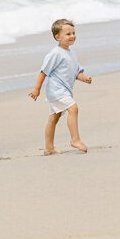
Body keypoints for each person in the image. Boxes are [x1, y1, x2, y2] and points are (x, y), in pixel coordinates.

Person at [28, 18, 93, 155]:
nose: (72, 36)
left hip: (65, 90)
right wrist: (37, 89)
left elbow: (75, 72)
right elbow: (43, 71)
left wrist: (84, 78)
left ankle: (49, 148)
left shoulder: (71, 52)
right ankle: (75, 140)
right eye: (68, 34)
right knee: (73, 109)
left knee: (54, 117)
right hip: (56, 90)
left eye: (73, 33)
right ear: (57, 37)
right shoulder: (55, 54)